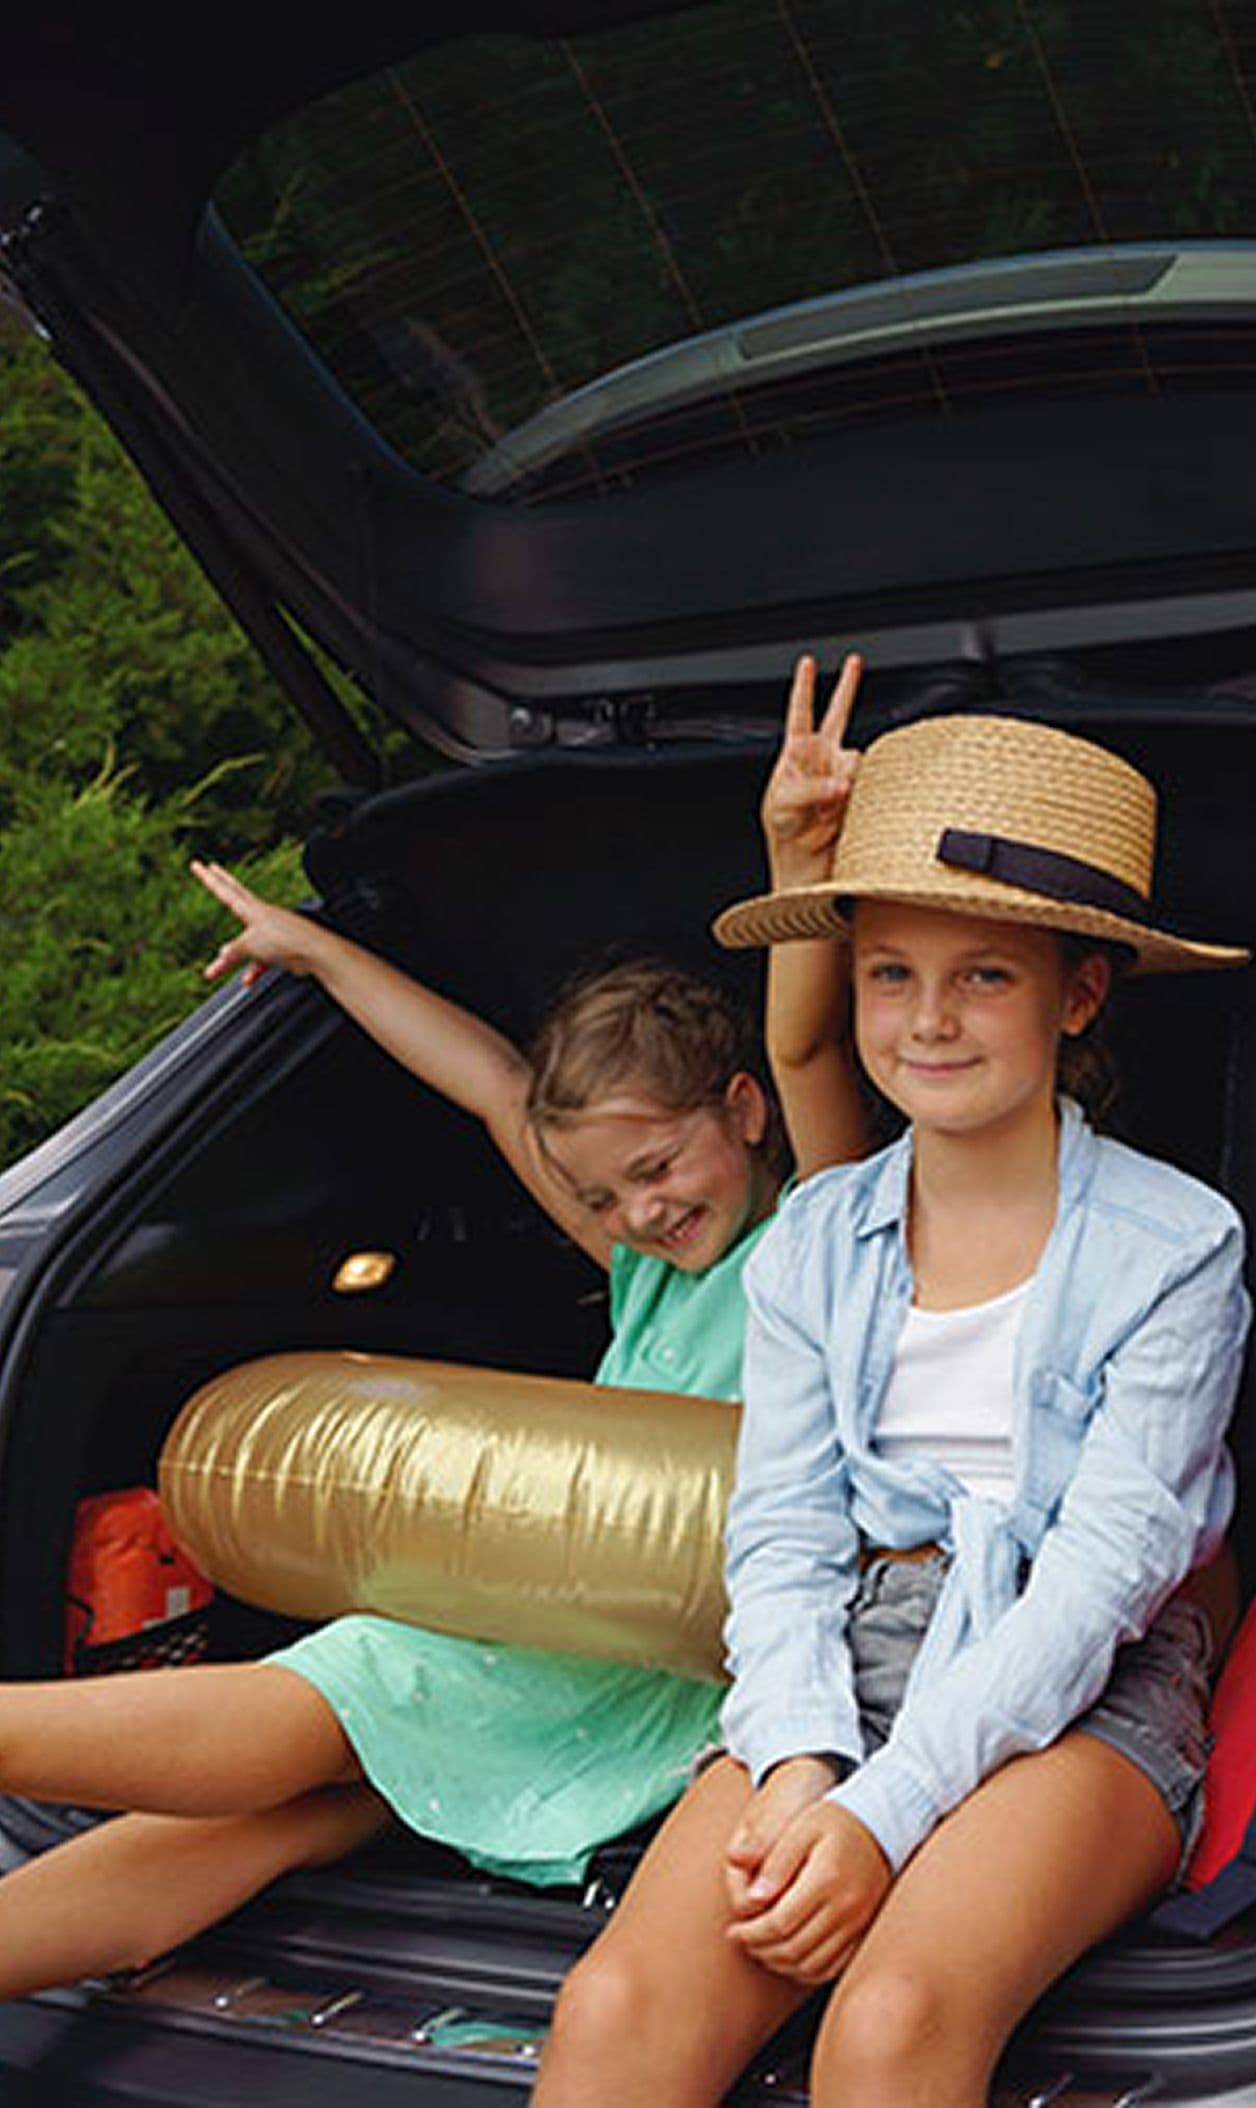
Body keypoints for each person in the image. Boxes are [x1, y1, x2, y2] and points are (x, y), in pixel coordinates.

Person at [0, 656, 867, 2002]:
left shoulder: (825, 1239)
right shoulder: (644, 1269)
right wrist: (321, 953)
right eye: (602, 1197)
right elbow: (492, 1085)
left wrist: (797, 859)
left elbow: (811, 1052)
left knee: (349, 1681)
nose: (640, 1213)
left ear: (746, 1113)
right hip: (544, 1644)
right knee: (260, 1820)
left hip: (671, 1669)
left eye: (659, 1170)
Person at [534, 709, 1252, 2108]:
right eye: (889, 974)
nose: (928, 1019)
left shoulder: (1177, 1246)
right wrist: (801, 1760)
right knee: (618, 2005)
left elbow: (1102, 1577)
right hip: (851, 1650)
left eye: (984, 974)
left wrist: (888, 1808)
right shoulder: (813, 1239)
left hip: (1089, 1680)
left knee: (893, 2017)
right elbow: (783, 1535)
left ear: (1078, 995)